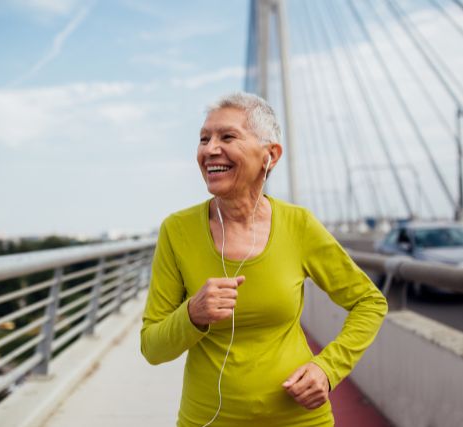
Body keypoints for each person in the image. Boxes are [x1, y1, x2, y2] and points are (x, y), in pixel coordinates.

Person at [140, 92, 388, 426]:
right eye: (204, 138)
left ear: (269, 155)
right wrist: (192, 314)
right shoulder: (177, 230)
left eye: (227, 136)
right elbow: (152, 349)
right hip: (207, 420)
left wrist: (327, 369)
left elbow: (369, 303)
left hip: (299, 419)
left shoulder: (299, 225)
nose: (209, 149)